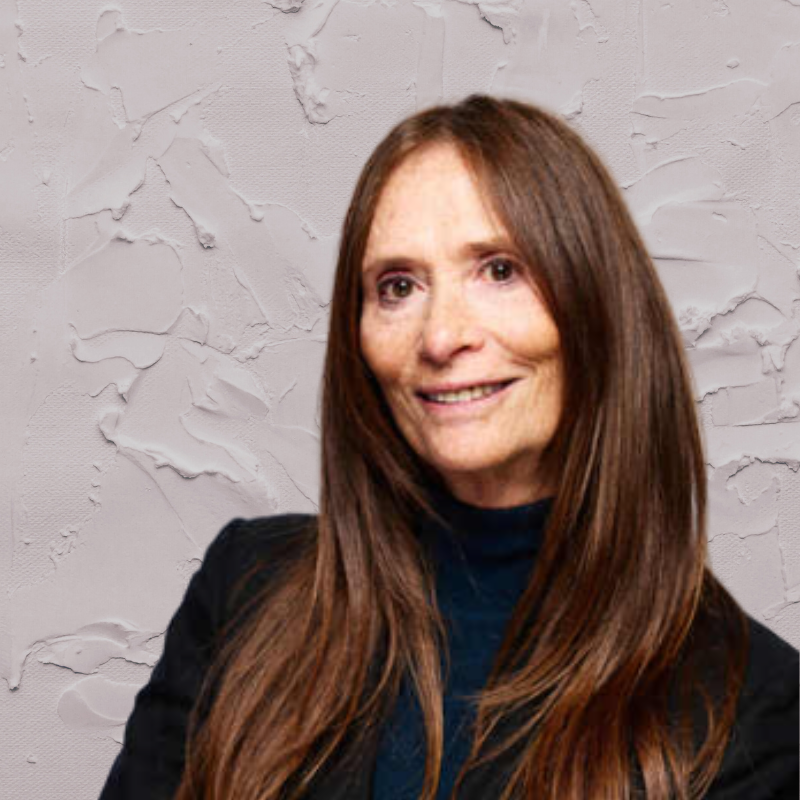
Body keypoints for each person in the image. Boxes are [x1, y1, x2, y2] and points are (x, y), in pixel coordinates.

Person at [97, 94, 799, 800]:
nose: (440, 338)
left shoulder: (754, 708)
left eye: (499, 270)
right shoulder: (241, 595)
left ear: (596, 303)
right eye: (398, 287)